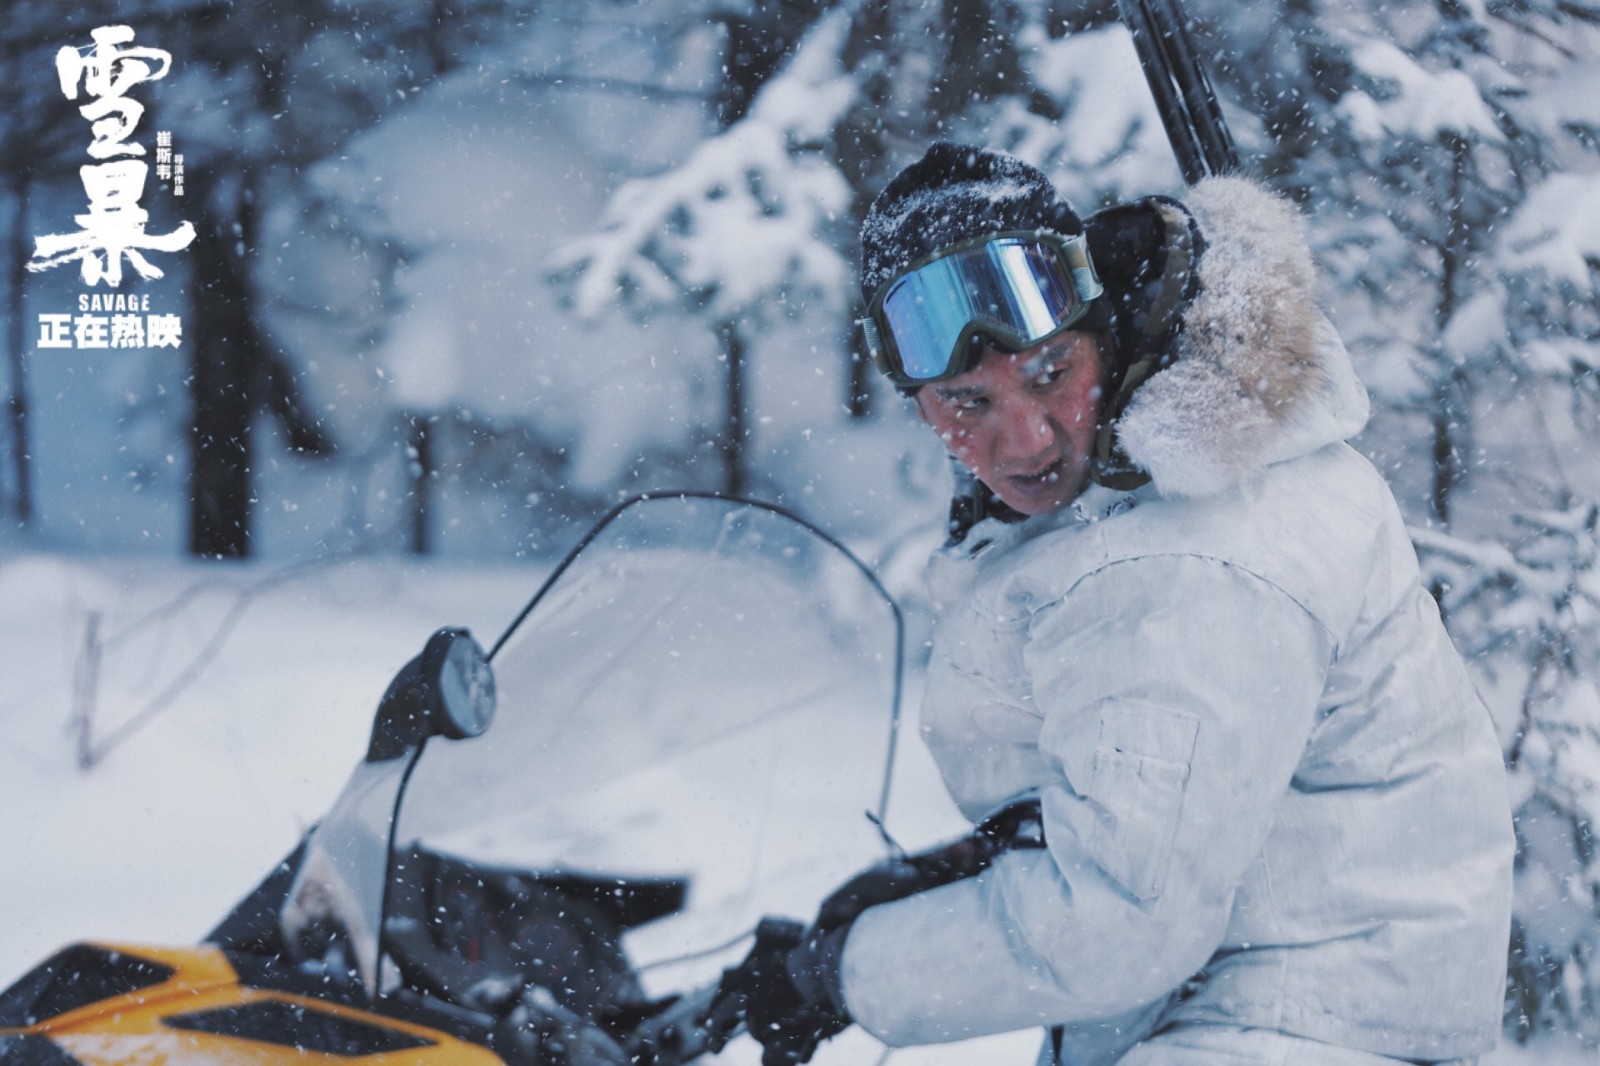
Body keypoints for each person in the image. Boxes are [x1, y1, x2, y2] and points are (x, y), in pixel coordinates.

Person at [724, 142, 1516, 1065]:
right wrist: (964, 873)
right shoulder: (1146, 491)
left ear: (1101, 331)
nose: (1022, 438)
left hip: (1293, 1030)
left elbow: (1122, 917)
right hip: (1275, 1010)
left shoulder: (1190, 555)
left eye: (1050, 373)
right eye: (964, 401)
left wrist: (845, 974)